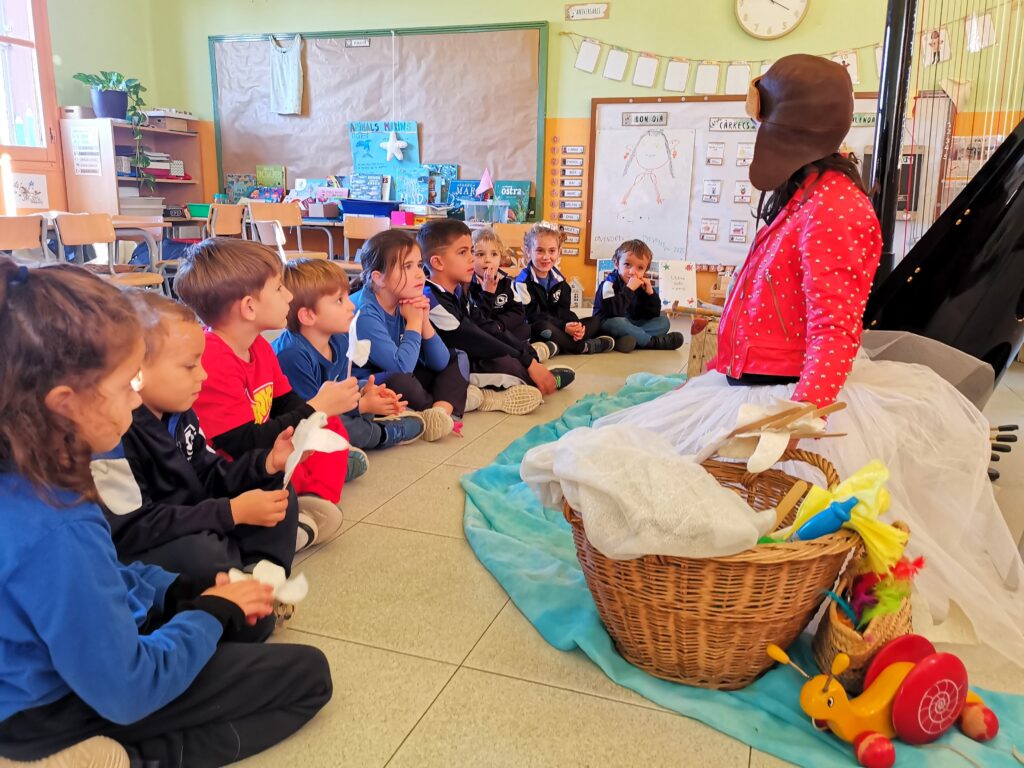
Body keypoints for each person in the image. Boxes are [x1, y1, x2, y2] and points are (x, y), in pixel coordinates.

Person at [587, 54, 1024, 664]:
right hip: (749, 381)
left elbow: (834, 327)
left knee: (751, 525)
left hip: (790, 395)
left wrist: (801, 416)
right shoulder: (806, 193)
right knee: (638, 473)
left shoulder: (835, 205)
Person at [0, 258, 331, 767]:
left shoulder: (34, 474)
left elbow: (108, 578)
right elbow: (129, 687)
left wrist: (178, 592)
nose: (133, 405)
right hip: (46, 710)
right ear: (65, 404)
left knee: (243, 624)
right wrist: (209, 611)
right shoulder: (59, 521)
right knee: (308, 676)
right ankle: (124, 758)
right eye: (123, 386)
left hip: (56, 674)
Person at [90, 292, 301, 636]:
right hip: (152, 545)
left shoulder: (180, 411)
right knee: (204, 554)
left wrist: (265, 464)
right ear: (135, 371)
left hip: (198, 519)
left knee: (278, 488)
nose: (203, 374)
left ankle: (262, 578)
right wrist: (230, 513)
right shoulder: (111, 435)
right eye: (190, 366)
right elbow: (133, 529)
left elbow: (208, 471)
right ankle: (232, 586)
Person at [175, 238, 350, 549]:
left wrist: (319, 411)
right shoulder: (213, 357)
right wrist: (314, 408)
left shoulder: (258, 345)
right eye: (279, 288)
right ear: (249, 307)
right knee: (314, 431)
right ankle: (300, 507)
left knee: (330, 425)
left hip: (263, 447)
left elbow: (285, 402)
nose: (289, 295)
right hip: (233, 467)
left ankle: (313, 502)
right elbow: (239, 443)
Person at [273, 258, 426, 454]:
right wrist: (361, 405)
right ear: (309, 316)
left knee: (361, 401)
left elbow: (339, 386)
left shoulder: (339, 339)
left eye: (347, 297)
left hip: (325, 409)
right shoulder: (292, 355)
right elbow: (309, 416)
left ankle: (357, 434)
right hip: (302, 421)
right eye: (339, 300)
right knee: (342, 426)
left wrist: (365, 391)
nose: (351, 306)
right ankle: (383, 434)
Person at [419, 220, 563, 413]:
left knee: (511, 348)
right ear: (438, 262)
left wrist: (526, 355)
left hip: (471, 352)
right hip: (446, 369)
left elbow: (487, 326)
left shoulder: (458, 291)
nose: (472, 259)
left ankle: (531, 373)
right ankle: (506, 391)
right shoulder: (431, 298)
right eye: (463, 252)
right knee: (507, 363)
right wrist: (526, 362)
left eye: (471, 251)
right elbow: (474, 338)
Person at [350, 230, 468, 441]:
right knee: (399, 381)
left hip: (403, 369)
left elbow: (441, 361)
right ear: (379, 278)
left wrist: (423, 320)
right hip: (368, 383)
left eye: (419, 264)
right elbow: (401, 367)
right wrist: (413, 321)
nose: (420, 274)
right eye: (407, 266)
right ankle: (449, 403)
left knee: (457, 356)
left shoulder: (405, 299)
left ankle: (439, 412)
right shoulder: (366, 312)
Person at [515, 222, 619, 355]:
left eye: (552, 251)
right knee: (543, 327)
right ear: (528, 251)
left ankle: (559, 345)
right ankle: (582, 347)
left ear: (559, 252)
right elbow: (533, 316)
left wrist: (574, 326)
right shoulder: (522, 282)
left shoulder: (560, 281)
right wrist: (563, 327)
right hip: (537, 328)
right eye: (540, 250)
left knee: (595, 321)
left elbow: (564, 311)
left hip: (559, 327)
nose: (546, 257)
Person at [591, 239, 684, 352]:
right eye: (627, 264)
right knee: (619, 323)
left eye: (640, 268)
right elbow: (613, 312)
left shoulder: (640, 285)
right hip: (608, 323)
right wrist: (629, 289)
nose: (632, 272)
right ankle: (652, 342)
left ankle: (626, 340)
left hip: (631, 324)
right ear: (616, 263)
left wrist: (650, 295)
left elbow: (652, 315)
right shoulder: (608, 284)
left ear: (645, 270)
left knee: (664, 322)